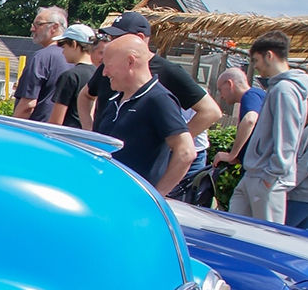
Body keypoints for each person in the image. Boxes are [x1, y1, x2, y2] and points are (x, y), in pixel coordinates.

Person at [78, 13, 221, 179]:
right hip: (106, 164)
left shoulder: (167, 74)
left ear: (139, 39)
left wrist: (167, 142)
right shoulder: (108, 67)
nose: (112, 42)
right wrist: (89, 131)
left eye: (117, 37)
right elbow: (86, 95)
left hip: (136, 175)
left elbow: (210, 112)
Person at [95, 33, 194, 195]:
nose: (104, 73)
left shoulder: (158, 100)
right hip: (107, 195)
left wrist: (156, 196)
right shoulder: (115, 99)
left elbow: (186, 152)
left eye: (108, 65)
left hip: (133, 202)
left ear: (130, 62)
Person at [233, 31, 308, 224]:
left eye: (256, 60)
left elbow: (288, 137)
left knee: (265, 237)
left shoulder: (285, 89)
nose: (255, 66)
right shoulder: (278, 88)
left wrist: (271, 176)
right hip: (255, 174)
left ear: (269, 55)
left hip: (267, 178)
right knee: (235, 227)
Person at [13, 6, 68, 121]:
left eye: (38, 24)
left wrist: (9, 130)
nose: (32, 29)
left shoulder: (41, 58)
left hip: (36, 131)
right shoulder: (74, 58)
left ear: (54, 27)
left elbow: (28, 105)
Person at [212, 67, 266, 167]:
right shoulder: (258, 95)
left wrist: (232, 155)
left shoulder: (250, 95)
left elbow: (250, 120)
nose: (221, 96)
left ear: (229, 84)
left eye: (220, 90)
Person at [47, 23, 97, 128]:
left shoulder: (70, 76)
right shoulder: (98, 74)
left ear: (74, 44)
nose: (63, 52)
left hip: (68, 136)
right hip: (89, 136)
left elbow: (56, 121)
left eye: (64, 47)